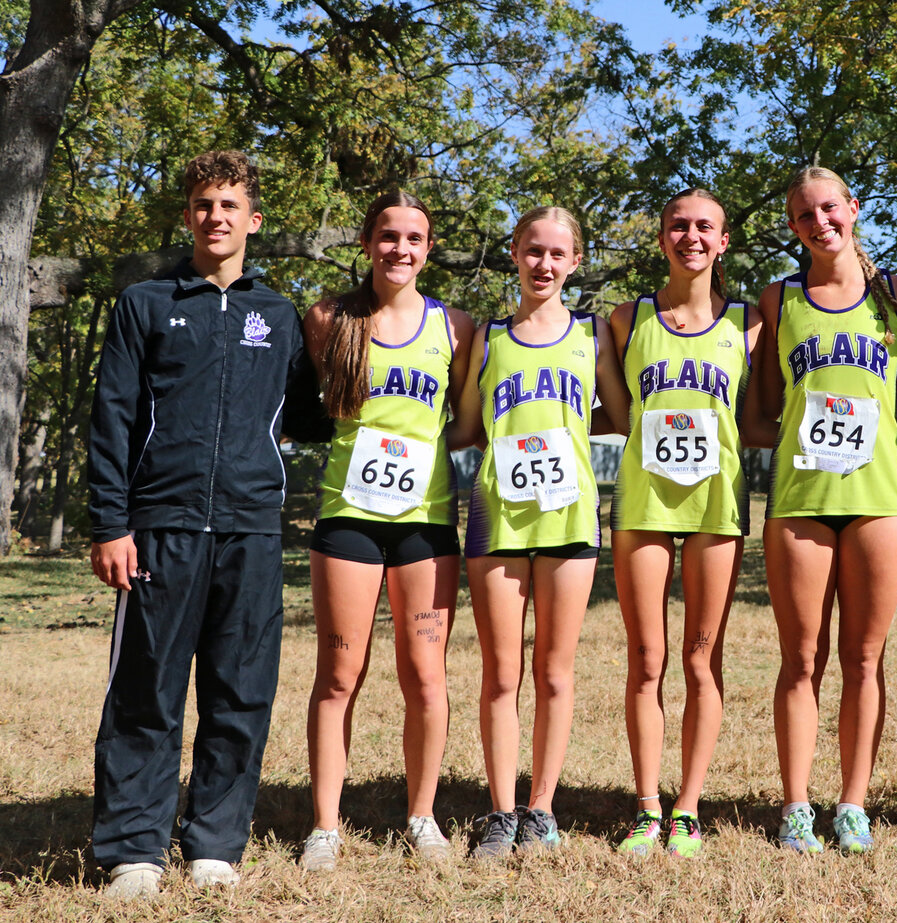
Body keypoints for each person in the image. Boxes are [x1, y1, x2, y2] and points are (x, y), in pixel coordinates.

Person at [88, 150, 328, 898]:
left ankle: (216, 844)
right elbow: (113, 418)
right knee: (146, 692)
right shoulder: (147, 304)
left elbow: (313, 417)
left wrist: (350, 345)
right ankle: (134, 849)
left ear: (254, 221)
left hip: (253, 528)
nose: (215, 216)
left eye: (229, 205)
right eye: (203, 204)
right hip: (160, 525)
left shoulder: (281, 314)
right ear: (189, 214)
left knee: (241, 690)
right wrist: (109, 523)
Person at [754, 166, 897, 854]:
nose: (819, 222)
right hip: (801, 502)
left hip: (880, 500)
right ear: (794, 228)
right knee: (802, 659)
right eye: (804, 216)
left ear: (853, 208)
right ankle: (797, 804)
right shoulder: (780, 298)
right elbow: (766, 403)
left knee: (866, 658)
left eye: (829, 208)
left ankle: (852, 802)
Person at [298, 191, 475, 871]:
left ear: (429, 249)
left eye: (415, 239)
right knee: (340, 672)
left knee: (425, 675)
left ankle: (422, 814)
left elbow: (461, 422)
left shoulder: (456, 326)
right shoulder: (328, 319)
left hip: (426, 525)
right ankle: (324, 825)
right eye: (389, 236)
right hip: (349, 517)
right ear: (369, 242)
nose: (401, 249)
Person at [454, 206, 630, 856]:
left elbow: (620, 413)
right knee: (502, 672)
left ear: (575, 261)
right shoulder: (489, 337)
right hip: (496, 513)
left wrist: (569, 436)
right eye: (533, 250)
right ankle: (500, 812)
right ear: (514, 251)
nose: (544, 264)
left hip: (569, 513)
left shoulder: (593, 335)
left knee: (554, 669)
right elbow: (468, 425)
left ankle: (542, 809)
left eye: (558, 253)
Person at [607, 189, 764, 857]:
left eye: (705, 227)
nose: (691, 236)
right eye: (679, 225)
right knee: (647, 659)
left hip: (715, 506)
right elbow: (618, 412)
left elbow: (759, 415)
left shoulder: (752, 322)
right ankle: (647, 805)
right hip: (643, 503)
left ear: (723, 242)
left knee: (702, 658)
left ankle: (689, 806)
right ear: (662, 236)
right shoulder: (626, 319)